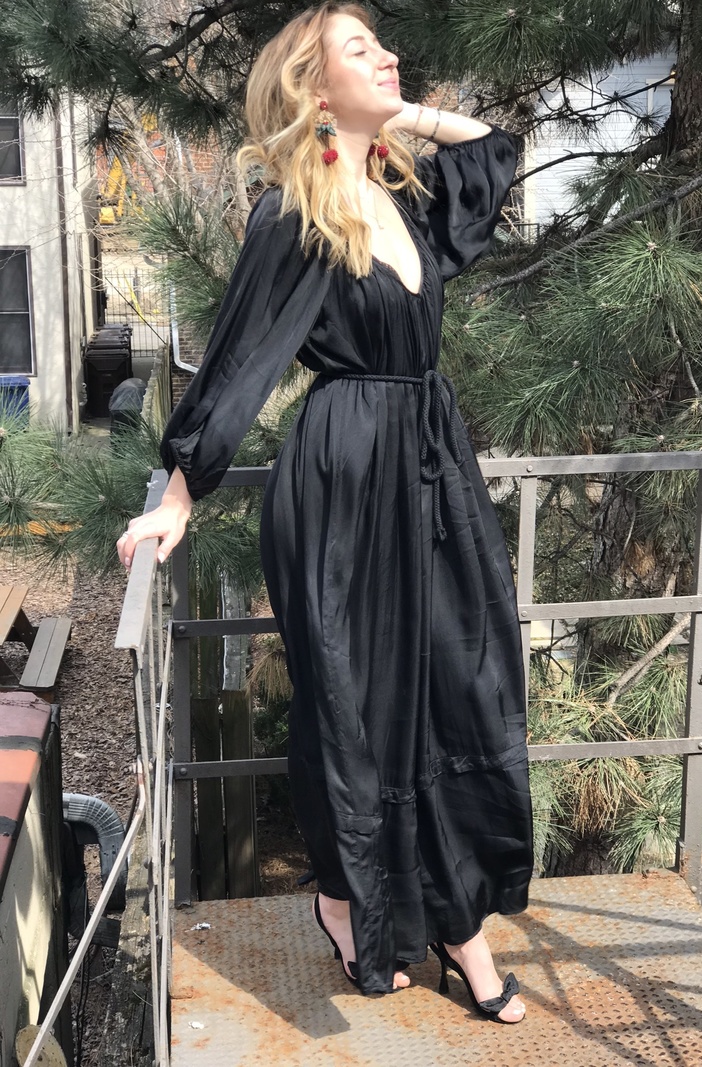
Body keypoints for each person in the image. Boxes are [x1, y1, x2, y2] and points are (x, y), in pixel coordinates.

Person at [117, 2, 533, 1024]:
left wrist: (399, 114)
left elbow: (493, 154)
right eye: (360, 49)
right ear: (312, 87)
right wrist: (178, 493)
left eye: (382, 44)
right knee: (360, 703)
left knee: (463, 684)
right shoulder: (292, 213)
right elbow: (238, 358)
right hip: (345, 475)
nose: (387, 56)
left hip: (429, 464)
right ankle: (368, 907)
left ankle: (447, 911)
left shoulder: (402, 196)